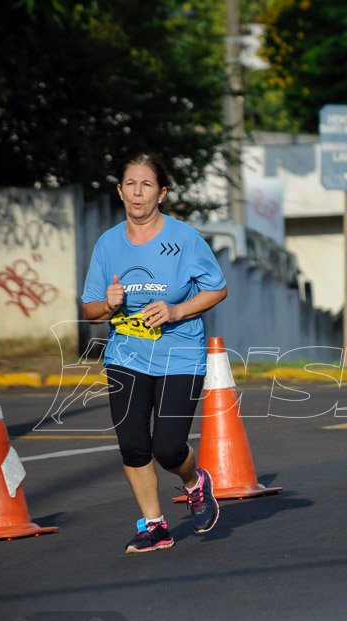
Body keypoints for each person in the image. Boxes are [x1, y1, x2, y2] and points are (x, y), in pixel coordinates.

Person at [81, 153, 228, 553]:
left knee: (167, 449)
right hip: (126, 356)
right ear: (120, 191)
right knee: (132, 444)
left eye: (147, 185)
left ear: (161, 193)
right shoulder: (108, 243)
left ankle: (195, 482)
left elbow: (218, 287)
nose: (138, 192)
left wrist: (177, 310)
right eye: (130, 184)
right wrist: (108, 304)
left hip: (179, 354)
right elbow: (89, 310)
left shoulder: (184, 239)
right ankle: (155, 525)